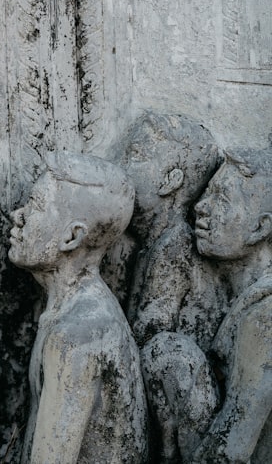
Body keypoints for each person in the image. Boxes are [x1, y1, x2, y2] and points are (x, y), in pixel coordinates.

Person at [9, 152, 147, 464]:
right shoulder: (70, 311)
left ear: (72, 237)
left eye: (35, 205)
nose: (18, 215)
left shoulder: (75, 337)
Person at [116, 112, 225, 461]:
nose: (120, 166)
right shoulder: (153, 244)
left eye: (134, 156)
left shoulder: (173, 245)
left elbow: (152, 324)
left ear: (169, 180)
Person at [185, 149, 272, 462]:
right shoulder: (239, 300)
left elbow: (233, 447)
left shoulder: (265, 316)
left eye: (221, 198)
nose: (201, 207)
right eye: (208, 193)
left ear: (260, 228)